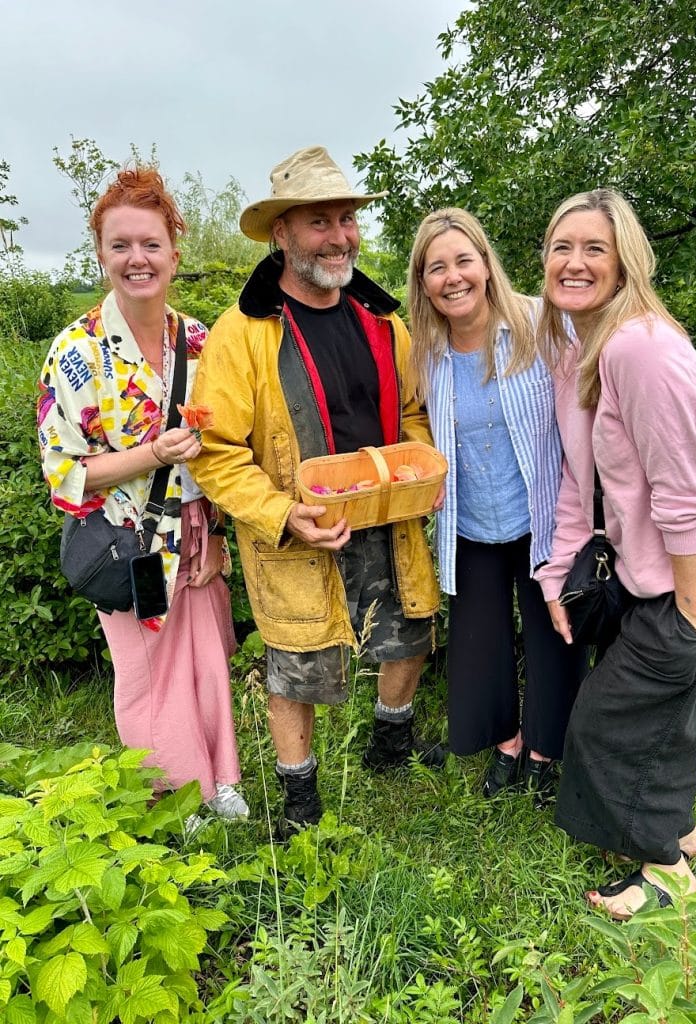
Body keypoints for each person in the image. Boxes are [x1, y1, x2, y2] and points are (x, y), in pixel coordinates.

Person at [535, 188, 696, 919]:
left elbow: (685, 492)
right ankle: (674, 827)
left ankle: (665, 869)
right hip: (676, 575)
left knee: (619, 718)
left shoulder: (639, 348)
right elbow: (584, 483)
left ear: (624, 263)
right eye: (561, 247)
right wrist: (555, 575)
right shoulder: (581, 348)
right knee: (667, 711)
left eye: (594, 249)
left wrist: (690, 616)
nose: (574, 263)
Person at [189, 146, 443, 838]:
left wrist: (418, 469)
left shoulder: (382, 321)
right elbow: (217, 451)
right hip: (299, 525)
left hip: (386, 511)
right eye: (318, 223)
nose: (339, 237)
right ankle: (300, 801)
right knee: (295, 659)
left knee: (408, 630)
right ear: (281, 234)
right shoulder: (241, 334)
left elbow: (416, 411)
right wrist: (282, 514)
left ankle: (391, 743)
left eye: (345, 220)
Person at [38, 167, 247, 824]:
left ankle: (221, 782)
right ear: (100, 254)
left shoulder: (200, 341)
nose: (137, 259)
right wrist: (150, 455)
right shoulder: (76, 352)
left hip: (194, 531)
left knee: (207, 656)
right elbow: (64, 473)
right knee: (149, 670)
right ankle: (171, 796)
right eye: (121, 245)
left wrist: (216, 536)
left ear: (174, 254)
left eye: (150, 244)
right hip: (129, 541)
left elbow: (224, 447)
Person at [407, 209, 586, 800]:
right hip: (470, 521)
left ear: (486, 264)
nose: (452, 277)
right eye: (438, 267)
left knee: (550, 634)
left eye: (463, 261)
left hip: (542, 515)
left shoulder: (541, 322)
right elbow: (414, 425)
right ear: (423, 281)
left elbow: (594, 385)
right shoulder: (424, 351)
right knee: (479, 639)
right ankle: (506, 741)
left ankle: (543, 750)